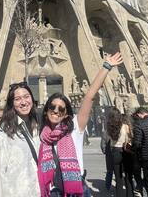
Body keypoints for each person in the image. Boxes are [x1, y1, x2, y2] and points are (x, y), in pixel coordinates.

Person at [37, 52, 123, 197]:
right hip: (52, 191)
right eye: (52, 107)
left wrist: (106, 66)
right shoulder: (40, 135)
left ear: (66, 113)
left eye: (61, 109)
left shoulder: (74, 127)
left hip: (75, 189)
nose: (56, 111)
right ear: (46, 111)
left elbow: (89, 95)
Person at [0, 82, 40, 196]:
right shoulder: (3, 133)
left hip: (36, 191)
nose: (23, 102)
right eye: (17, 99)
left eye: (26, 97)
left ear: (32, 99)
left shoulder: (36, 127)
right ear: (12, 103)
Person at [104, 107, 133, 197]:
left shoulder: (109, 127)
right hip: (125, 151)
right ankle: (130, 194)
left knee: (118, 178)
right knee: (128, 177)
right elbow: (129, 140)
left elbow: (108, 140)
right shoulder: (125, 126)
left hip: (115, 151)